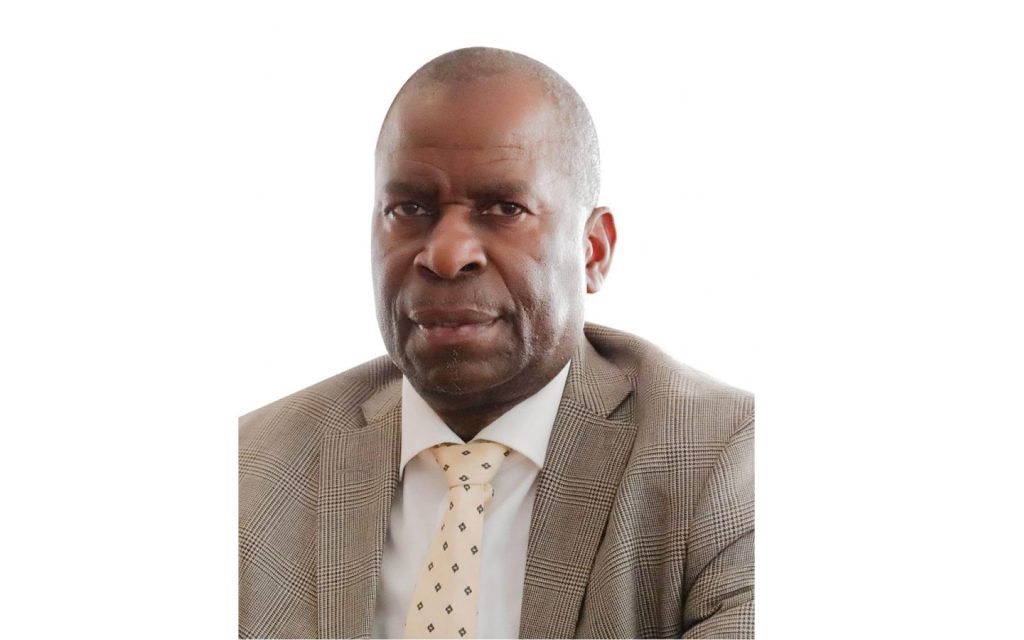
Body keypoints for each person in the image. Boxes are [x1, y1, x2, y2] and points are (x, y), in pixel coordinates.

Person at [239, 47, 754, 639]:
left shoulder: (724, 460)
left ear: (592, 250)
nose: (446, 254)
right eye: (409, 208)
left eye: (505, 208)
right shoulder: (252, 469)